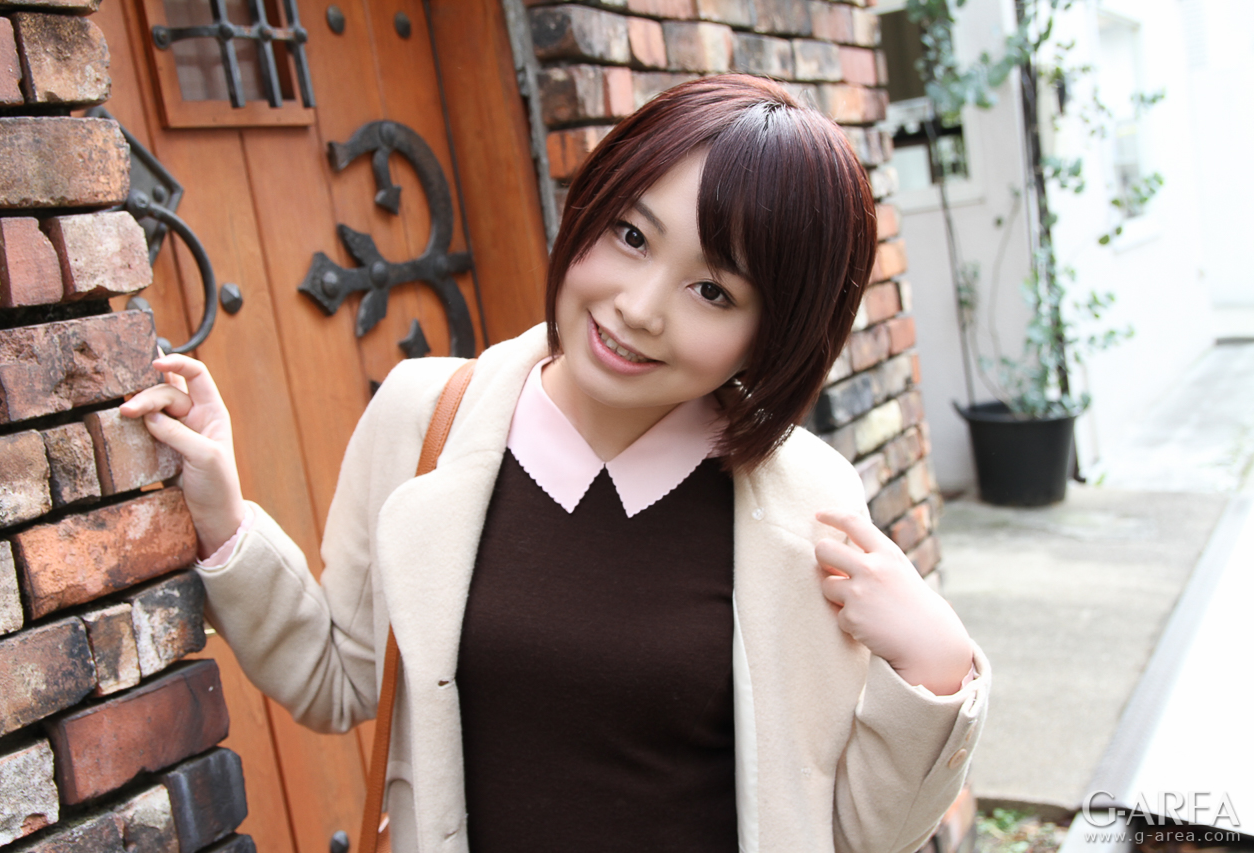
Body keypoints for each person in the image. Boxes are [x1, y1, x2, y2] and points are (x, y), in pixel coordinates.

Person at [122, 74, 989, 853]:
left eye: (713, 290)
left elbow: (850, 833)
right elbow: (338, 679)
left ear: (773, 335)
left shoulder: (807, 503)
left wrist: (937, 672)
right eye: (631, 235)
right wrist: (224, 518)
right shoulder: (426, 418)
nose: (638, 307)